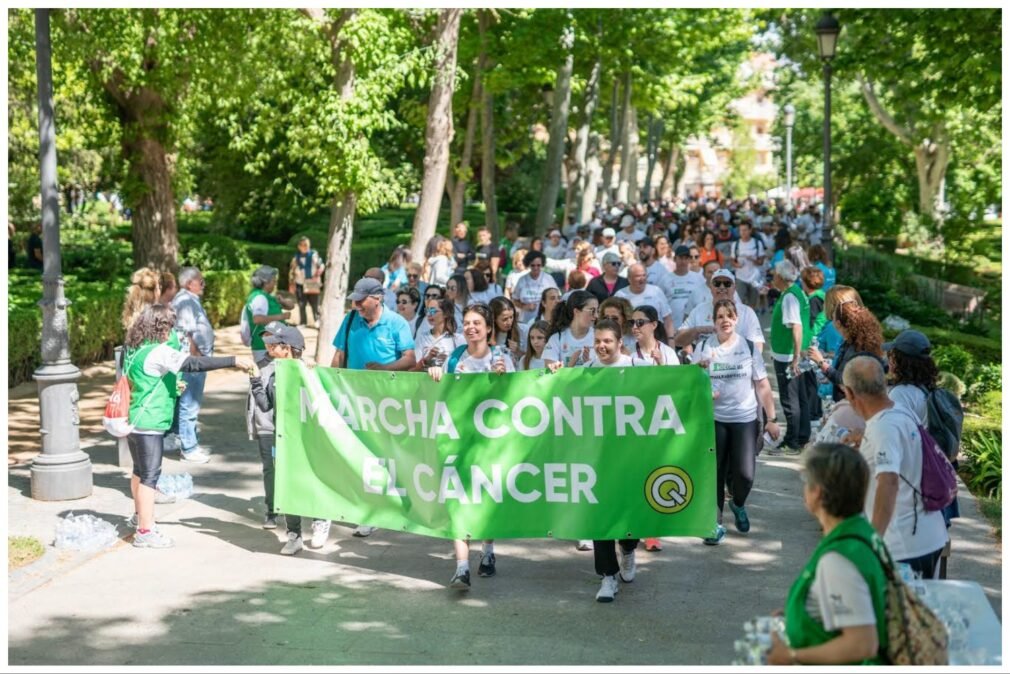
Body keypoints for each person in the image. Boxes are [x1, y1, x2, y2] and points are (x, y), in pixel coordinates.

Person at [123, 305, 252, 548]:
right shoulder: (159, 352)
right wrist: (234, 360)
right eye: (169, 326)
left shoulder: (137, 350)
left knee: (139, 472)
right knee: (150, 477)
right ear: (161, 327)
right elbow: (193, 364)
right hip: (150, 421)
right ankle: (145, 530)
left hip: (135, 419)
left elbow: (147, 381)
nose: (171, 331)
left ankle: (139, 516)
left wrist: (172, 387)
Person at [766, 442, 889, 665]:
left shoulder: (839, 559)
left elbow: (862, 644)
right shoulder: (863, 533)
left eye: (806, 482)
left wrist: (791, 656)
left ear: (817, 493)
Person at [427, 303, 514, 589]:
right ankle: (461, 567)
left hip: (490, 443)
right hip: (458, 441)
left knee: (486, 499)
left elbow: (519, 398)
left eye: (477, 322)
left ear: (489, 328)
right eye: (466, 323)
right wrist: (436, 375)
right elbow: (441, 393)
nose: (471, 327)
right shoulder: (454, 358)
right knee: (457, 500)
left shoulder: (501, 358)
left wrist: (505, 381)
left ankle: (487, 551)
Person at [842, 357, 948, 579]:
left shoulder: (884, 427)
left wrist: (873, 543)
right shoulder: (898, 411)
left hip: (905, 546)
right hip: (925, 535)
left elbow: (888, 483)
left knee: (899, 612)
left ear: (850, 393)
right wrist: (866, 438)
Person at [331, 277, 417, 538]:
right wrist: (326, 385)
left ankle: (394, 504)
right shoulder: (350, 321)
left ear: (377, 299)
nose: (356, 304)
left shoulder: (396, 323)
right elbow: (339, 356)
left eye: (361, 300)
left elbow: (410, 359)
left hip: (387, 401)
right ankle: (367, 509)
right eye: (354, 300)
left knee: (386, 454)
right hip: (353, 399)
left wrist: (383, 370)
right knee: (359, 453)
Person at [692, 300, 779, 544]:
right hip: (715, 420)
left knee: (745, 475)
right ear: (714, 321)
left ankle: (738, 503)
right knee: (715, 474)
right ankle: (714, 525)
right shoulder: (704, 347)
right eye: (719, 316)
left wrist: (772, 419)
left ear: (736, 319)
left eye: (729, 315)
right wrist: (699, 375)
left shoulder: (748, 347)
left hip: (745, 418)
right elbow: (692, 383)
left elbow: (762, 384)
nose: (724, 320)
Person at [246, 325, 329, 553]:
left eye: (275, 344)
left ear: (289, 348)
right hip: (283, 437)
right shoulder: (274, 373)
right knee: (287, 483)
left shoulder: (308, 371)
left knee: (311, 479)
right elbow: (265, 405)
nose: (269, 347)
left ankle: (321, 520)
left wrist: (313, 370)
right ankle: (294, 534)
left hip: (308, 437)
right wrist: (255, 382)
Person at [582, 319, 647, 602]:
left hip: (632, 458)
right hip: (597, 459)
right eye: (597, 341)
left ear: (620, 342)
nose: (601, 346)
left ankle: (629, 548)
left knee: (631, 514)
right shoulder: (587, 372)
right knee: (600, 517)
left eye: (607, 341)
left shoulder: (639, 368)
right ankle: (608, 576)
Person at [885, 330, 960, 531]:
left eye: (891, 356)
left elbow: (894, 438)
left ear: (900, 360)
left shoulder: (901, 394)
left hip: (914, 484)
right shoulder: (927, 389)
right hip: (935, 476)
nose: (888, 361)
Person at [170, 267, 217, 464]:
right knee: (190, 404)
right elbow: (186, 331)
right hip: (193, 360)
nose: (203, 285)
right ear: (190, 283)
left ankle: (184, 441)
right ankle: (189, 448)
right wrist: (195, 356)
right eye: (201, 281)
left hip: (194, 358)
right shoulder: (186, 301)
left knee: (185, 402)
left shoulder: (187, 299)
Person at [768, 260, 814, 455]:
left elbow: (796, 326)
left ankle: (792, 441)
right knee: (800, 397)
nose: (772, 278)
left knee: (790, 399)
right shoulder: (796, 292)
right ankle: (802, 436)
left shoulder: (789, 297)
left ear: (780, 276)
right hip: (795, 353)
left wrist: (795, 358)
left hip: (788, 355)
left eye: (773, 275)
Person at [808, 300, 884, 403]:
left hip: (850, 403)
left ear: (838, 323)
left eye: (833, 318)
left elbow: (843, 380)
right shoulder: (861, 340)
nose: (831, 321)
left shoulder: (853, 347)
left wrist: (821, 362)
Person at [676, 270, 763, 356]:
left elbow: (757, 344)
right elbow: (678, 340)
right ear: (711, 287)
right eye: (717, 283)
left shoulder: (747, 313)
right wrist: (698, 330)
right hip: (706, 366)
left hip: (738, 367)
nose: (722, 287)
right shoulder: (699, 310)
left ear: (734, 287)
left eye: (727, 283)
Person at [241, 266, 291, 363]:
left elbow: (291, 306)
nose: (275, 283)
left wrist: (282, 302)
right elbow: (257, 319)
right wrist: (281, 317)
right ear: (266, 282)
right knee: (268, 376)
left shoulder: (264, 296)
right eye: (273, 281)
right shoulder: (260, 298)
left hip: (269, 346)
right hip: (264, 347)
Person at [615, 264, 675, 341]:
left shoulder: (656, 291)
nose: (642, 279)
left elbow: (667, 319)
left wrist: (671, 339)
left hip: (656, 341)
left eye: (644, 275)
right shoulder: (620, 295)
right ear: (629, 279)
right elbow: (615, 322)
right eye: (637, 276)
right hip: (631, 344)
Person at [544, 290, 598, 367]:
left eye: (597, 310)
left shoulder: (599, 337)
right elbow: (550, 372)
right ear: (576, 311)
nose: (596, 315)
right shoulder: (557, 338)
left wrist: (590, 365)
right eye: (592, 311)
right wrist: (570, 366)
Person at [413, 296, 462, 370]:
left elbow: (464, 367)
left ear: (446, 314)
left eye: (433, 311)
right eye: (427, 311)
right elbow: (413, 370)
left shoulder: (457, 339)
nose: (429, 315)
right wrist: (427, 359)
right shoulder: (422, 337)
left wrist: (448, 360)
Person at [664, 245, 707, 329]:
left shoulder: (699, 278)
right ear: (674, 259)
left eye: (686, 258)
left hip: (694, 327)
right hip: (673, 328)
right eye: (680, 258)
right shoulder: (665, 280)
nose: (683, 261)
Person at [512, 251, 559, 324]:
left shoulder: (548, 279)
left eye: (538, 265)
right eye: (533, 265)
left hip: (544, 320)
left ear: (542, 264)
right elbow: (515, 299)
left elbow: (557, 297)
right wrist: (524, 306)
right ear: (528, 264)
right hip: (525, 320)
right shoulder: (522, 280)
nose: (536, 268)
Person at [288, 236, 324, 327]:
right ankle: (303, 322)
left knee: (314, 304)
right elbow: (292, 271)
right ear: (299, 246)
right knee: (301, 304)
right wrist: (291, 284)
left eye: (306, 245)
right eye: (302, 245)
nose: (304, 247)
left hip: (312, 282)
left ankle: (317, 321)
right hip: (300, 283)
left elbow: (321, 266)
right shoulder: (296, 257)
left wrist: (317, 275)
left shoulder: (313, 255)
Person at [730, 222, 767, 309]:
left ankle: (751, 320)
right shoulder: (735, 244)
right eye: (741, 230)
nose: (743, 232)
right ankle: (740, 321)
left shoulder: (757, 243)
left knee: (752, 303)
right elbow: (732, 261)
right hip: (740, 277)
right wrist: (737, 265)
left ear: (750, 230)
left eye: (745, 230)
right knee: (739, 302)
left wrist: (754, 260)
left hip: (754, 277)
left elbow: (761, 261)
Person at [489, 296, 521, 361]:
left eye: (511, 317)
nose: (509, 322)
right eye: (504, 319)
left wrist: (518, 351)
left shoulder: (522, 330)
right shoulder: (486, 335)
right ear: (494, 319)